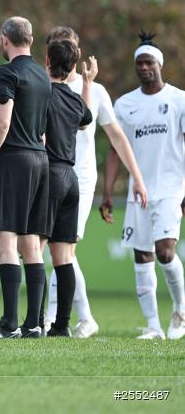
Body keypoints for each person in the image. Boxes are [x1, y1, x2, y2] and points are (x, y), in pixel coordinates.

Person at [42, 26, 147, 338]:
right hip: (48, 174)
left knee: (63, 250)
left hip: (81, 177)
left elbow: (116, 136)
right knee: (56, 251)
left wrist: (137, 177)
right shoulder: (42, 87)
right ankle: (65, 318)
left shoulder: (96, 91)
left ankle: (65, 318)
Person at [0, 16, 52, 339]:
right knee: (31, 244)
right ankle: (34, 324)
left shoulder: (8, 72)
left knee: (4, 243)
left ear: (5, 40)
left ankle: (9, 324)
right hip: (40, 159)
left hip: (14, 160)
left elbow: (2, 123)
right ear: (30, 40)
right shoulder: (42, 75)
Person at [101, 32, 184, 340]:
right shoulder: (125, 104)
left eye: (149, 62)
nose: (144, 68)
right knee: (142, 256)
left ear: (159, 64)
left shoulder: (178, 100)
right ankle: (153, 327)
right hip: (139, 191)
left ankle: (180, 310)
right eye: (139, 63)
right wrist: (108, 192)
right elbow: (115, 149)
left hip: (171, 188)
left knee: (165, 252)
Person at [40, 39, 94, 337]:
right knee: (64, 256)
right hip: (71, 179)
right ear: (73, 66)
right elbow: (85, 120)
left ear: (47, 60)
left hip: (48, 174)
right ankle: (60, 326)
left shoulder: (41, 95)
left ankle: (35, 321)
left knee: (35, 250)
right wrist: (86, 83)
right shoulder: (75, 99)